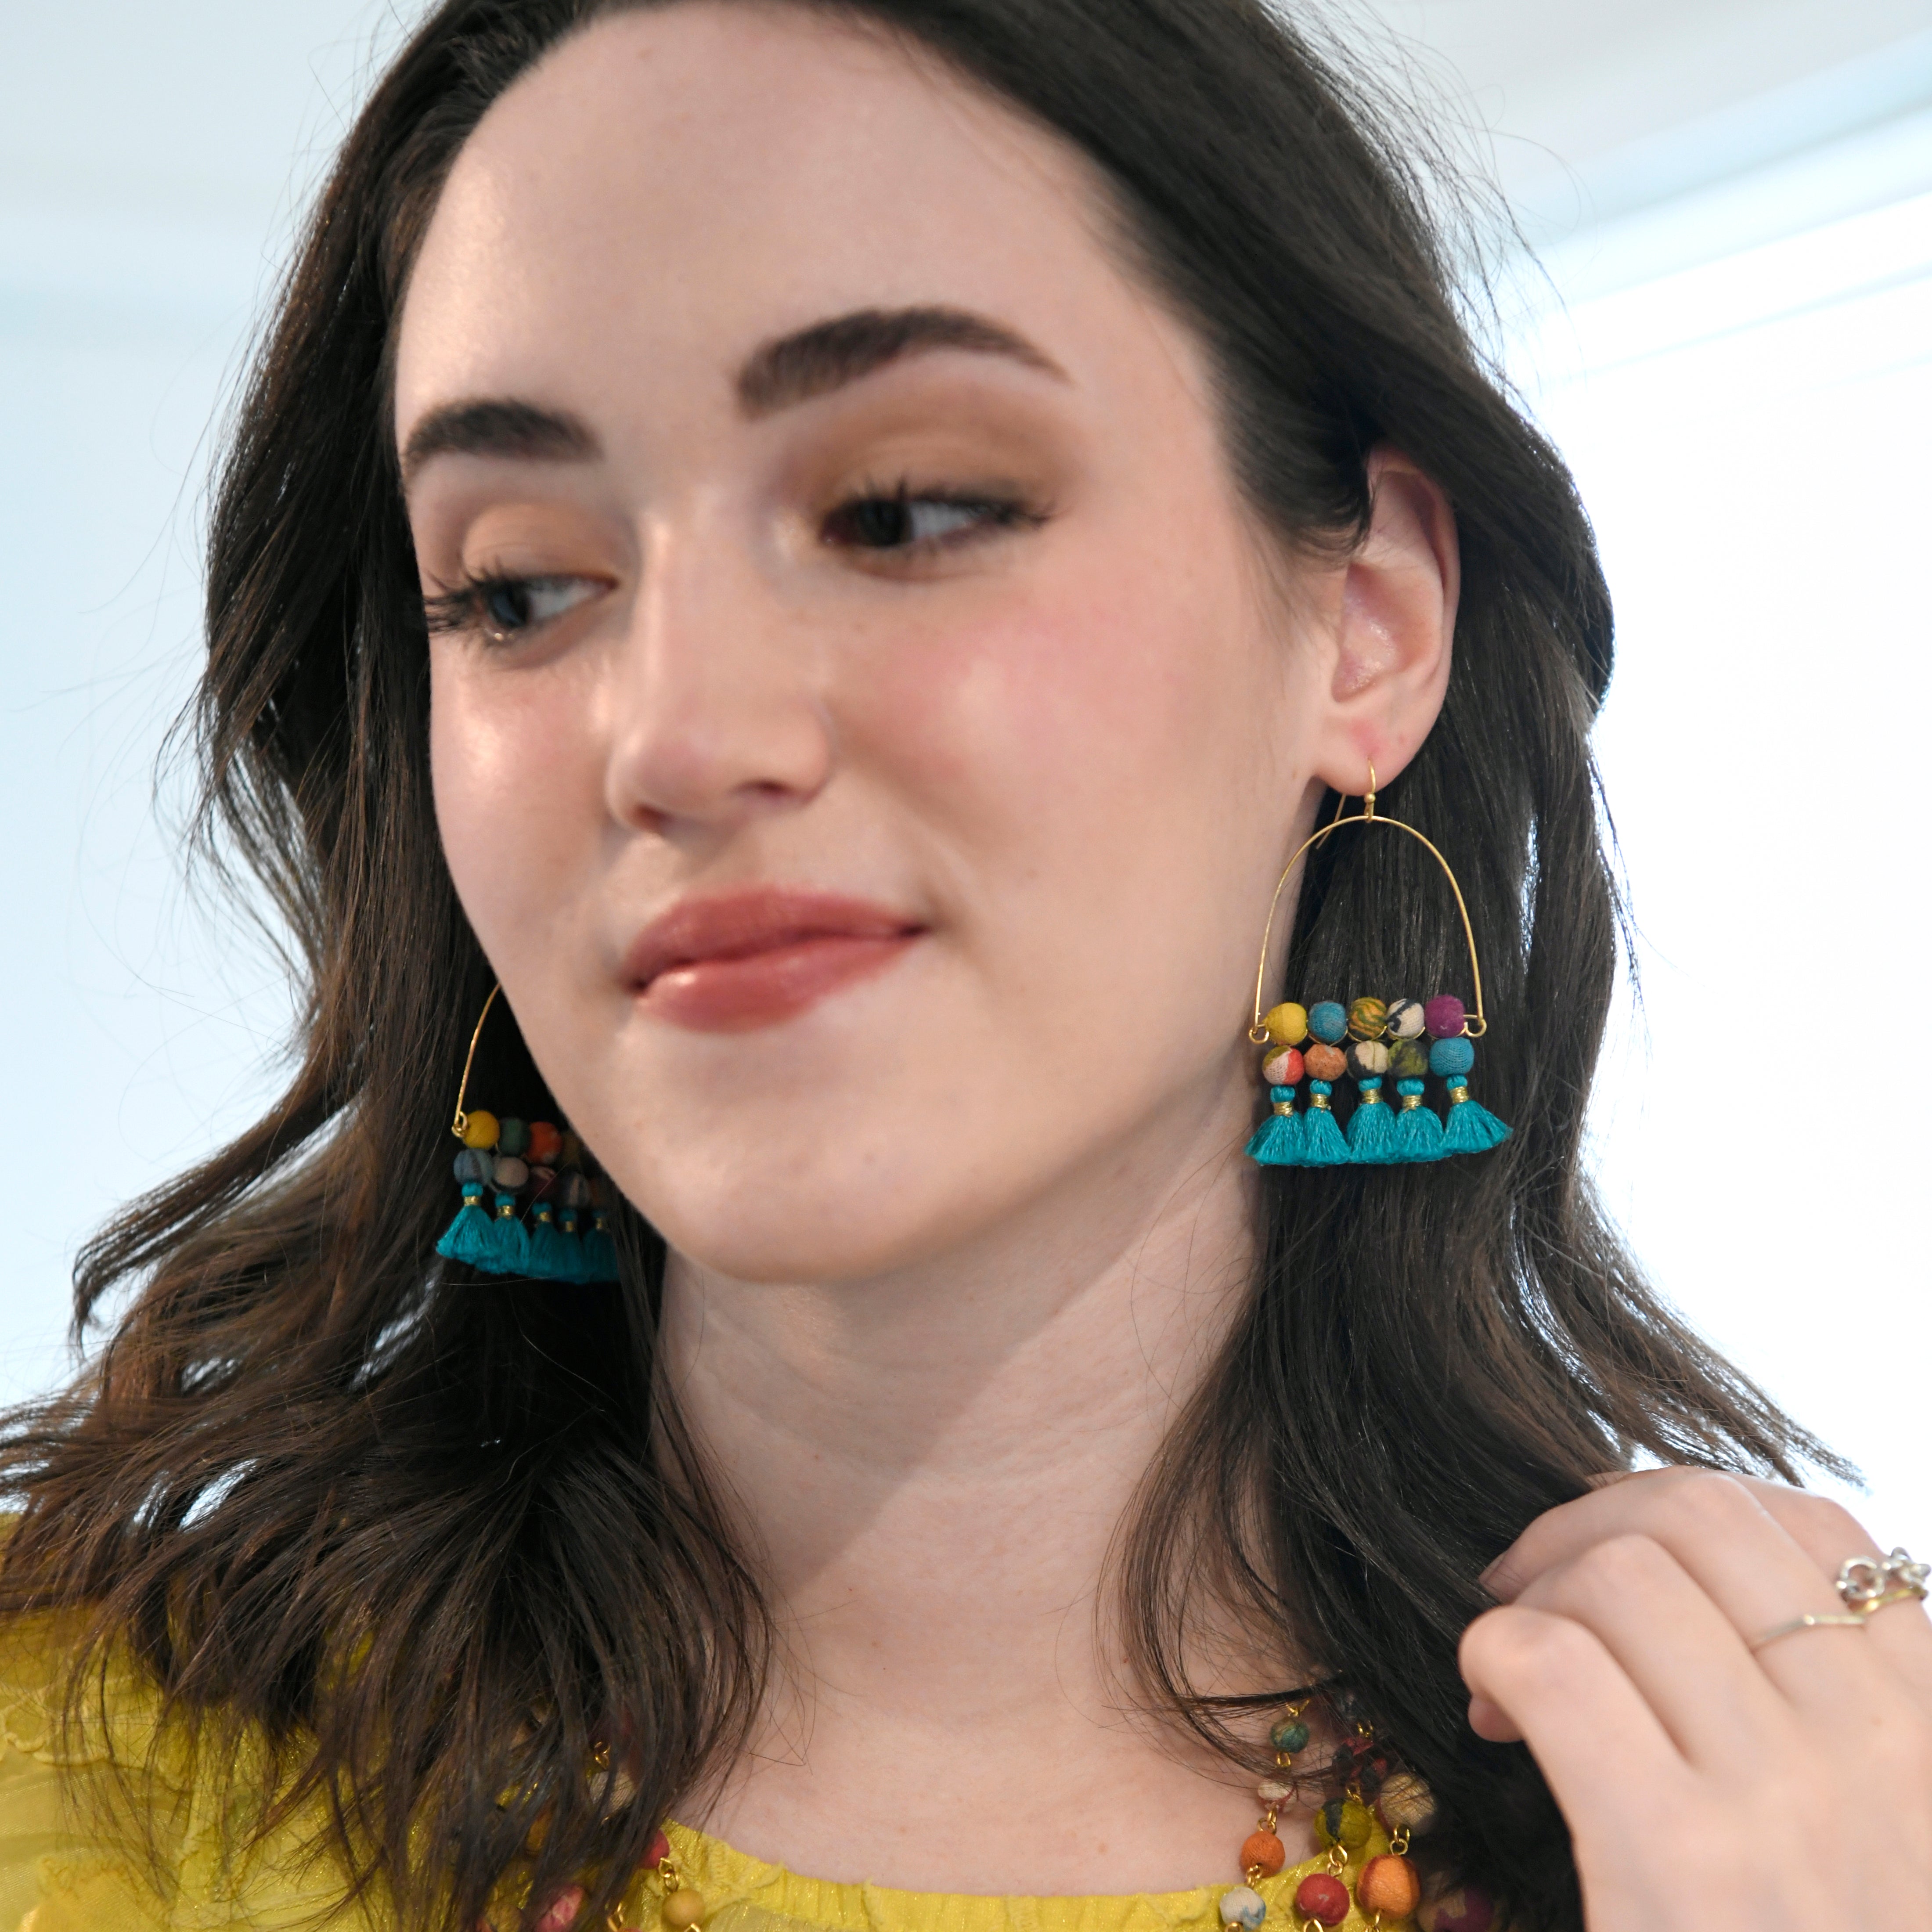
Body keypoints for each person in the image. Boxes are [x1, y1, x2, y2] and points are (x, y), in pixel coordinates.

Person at [1, 2, 1926, 1929]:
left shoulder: (1803, 1804)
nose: (672, 736)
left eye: (905, 510)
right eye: (518, 587)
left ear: (1361, 625)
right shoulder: (71, 1781)